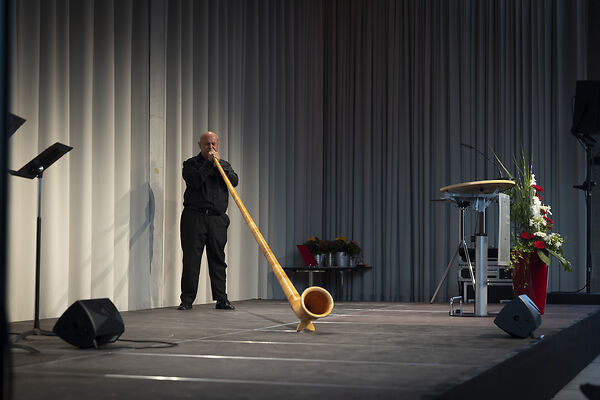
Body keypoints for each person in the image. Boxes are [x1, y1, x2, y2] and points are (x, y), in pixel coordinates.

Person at [178, 131, 238, 310]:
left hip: (217, 219)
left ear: (218, 145)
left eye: (213, 144)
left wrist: (219, 165)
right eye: (207, 145)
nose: (211, 148)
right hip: (194, 217)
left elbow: (234, 181)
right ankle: (187, 301)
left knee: (218, 259)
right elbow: (194, 181)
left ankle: (221, 299)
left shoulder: (224, 165)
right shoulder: (191, 164)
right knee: (191, 260)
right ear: (199, 145)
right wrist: (209, 164)